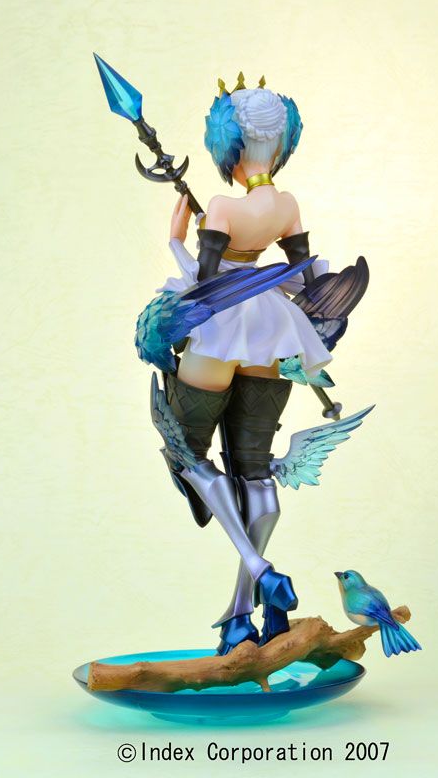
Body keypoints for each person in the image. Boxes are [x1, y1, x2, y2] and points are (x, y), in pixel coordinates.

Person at [156, 80, 334, 654]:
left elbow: (205, 284)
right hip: (272, 329)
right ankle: (242, 613)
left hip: (222, 328)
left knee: (185, 449)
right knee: (255, 469)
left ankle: (258, 570)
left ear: (229, 146)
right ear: (281, 144)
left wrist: (176, 241)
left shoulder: (224, 207)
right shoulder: (288, 206)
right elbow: (306, 276)